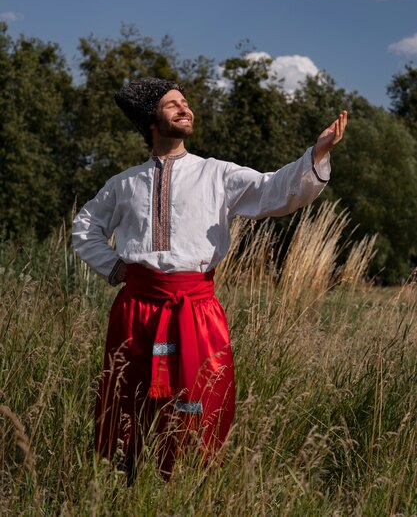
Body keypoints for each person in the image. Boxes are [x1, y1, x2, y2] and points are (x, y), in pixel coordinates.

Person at [72, 77, 347, 481]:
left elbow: (274, 190)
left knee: (197, 401)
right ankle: (122, 485)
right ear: (152, 119)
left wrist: (317, 153)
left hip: (195, 310)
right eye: (173, 104)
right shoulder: (124, 183)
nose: (185, 109)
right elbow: (84, 226)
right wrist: (114, 267)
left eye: (186, 103)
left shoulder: (217, 174)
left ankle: (186, 485)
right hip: (136, 308)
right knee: (126, 400)